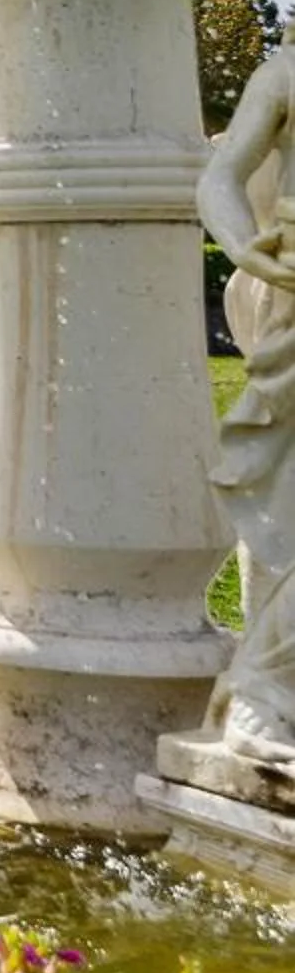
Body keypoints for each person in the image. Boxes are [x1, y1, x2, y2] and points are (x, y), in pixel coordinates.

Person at [195, 46, 295, 765]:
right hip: (291, 290)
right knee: (286, 494)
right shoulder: (286, 72)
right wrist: (244, 247)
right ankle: (264, 688)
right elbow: (220, 177)